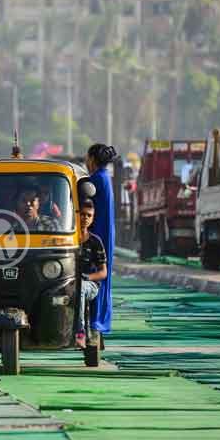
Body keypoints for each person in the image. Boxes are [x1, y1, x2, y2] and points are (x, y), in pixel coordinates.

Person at [85, 143, 118, 336]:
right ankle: (99, 322)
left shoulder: (95, 180)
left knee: (96, 275)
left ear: (92, 159)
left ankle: (95, 322)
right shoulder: (104, 177)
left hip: (98, 234)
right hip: (106, 234)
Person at [75, 198, 108, 348]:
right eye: (82, 214)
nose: (85, 218)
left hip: (89, 285)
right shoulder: (67, 238)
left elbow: (103, 272)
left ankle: (80, 332)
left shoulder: (96, 242)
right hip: (66, 282)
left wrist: (87, 277)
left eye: (89, 215)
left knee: (80, 288)